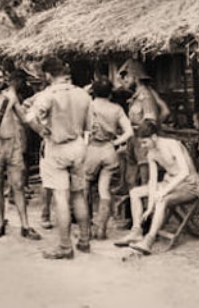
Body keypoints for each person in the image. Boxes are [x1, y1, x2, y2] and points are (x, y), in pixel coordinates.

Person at [26, 57, 92, 259]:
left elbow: (30, 118)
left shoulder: (48, 95)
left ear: (47, 75)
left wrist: (42, 131)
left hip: (58, 146)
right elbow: (91, 127)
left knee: (61, 197)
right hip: (78, 146)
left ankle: (65, 246)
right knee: (79, 194)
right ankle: (84, 240)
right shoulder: (83, 94)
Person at [0, 65, 41, 240]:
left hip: (13, 145)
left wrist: (42, 127)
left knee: (18, 185)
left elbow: (24, 119)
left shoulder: (10, 97)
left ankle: (25, 226)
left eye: (0, 77)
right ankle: (0, 224)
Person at [113, 119, 199, 253]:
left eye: (144, 142)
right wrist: (150, 207)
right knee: (135, 192)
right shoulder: (151, 153)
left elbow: (184, 172)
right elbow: (152, 182)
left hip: (190, 185)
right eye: (141, 143)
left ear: (154, 137)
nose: (142, 146)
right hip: (170, 183)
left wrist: (163, 191)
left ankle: (149, 240)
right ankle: (136, 231)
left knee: (163, 199)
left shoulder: (172, 144)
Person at [83, 76, 133, 239]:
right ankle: (101, 229)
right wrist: (116, 142)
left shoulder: (88, 106)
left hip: (91, 149)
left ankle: (87, 228)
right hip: (109, 150)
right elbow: (129, 132)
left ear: (93, 92)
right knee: (104, 190)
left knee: (84, 188)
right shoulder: (116, 108)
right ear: (110, 93)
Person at [118, 59, 170, 191]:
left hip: (142, 140)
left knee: (145, 179)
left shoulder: (145, 96)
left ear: (135, 77)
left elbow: (150, 121)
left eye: (127, 76)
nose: (124, 80)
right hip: (134, 139)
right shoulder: (136, 96)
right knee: (132, 179)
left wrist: (154, 129)